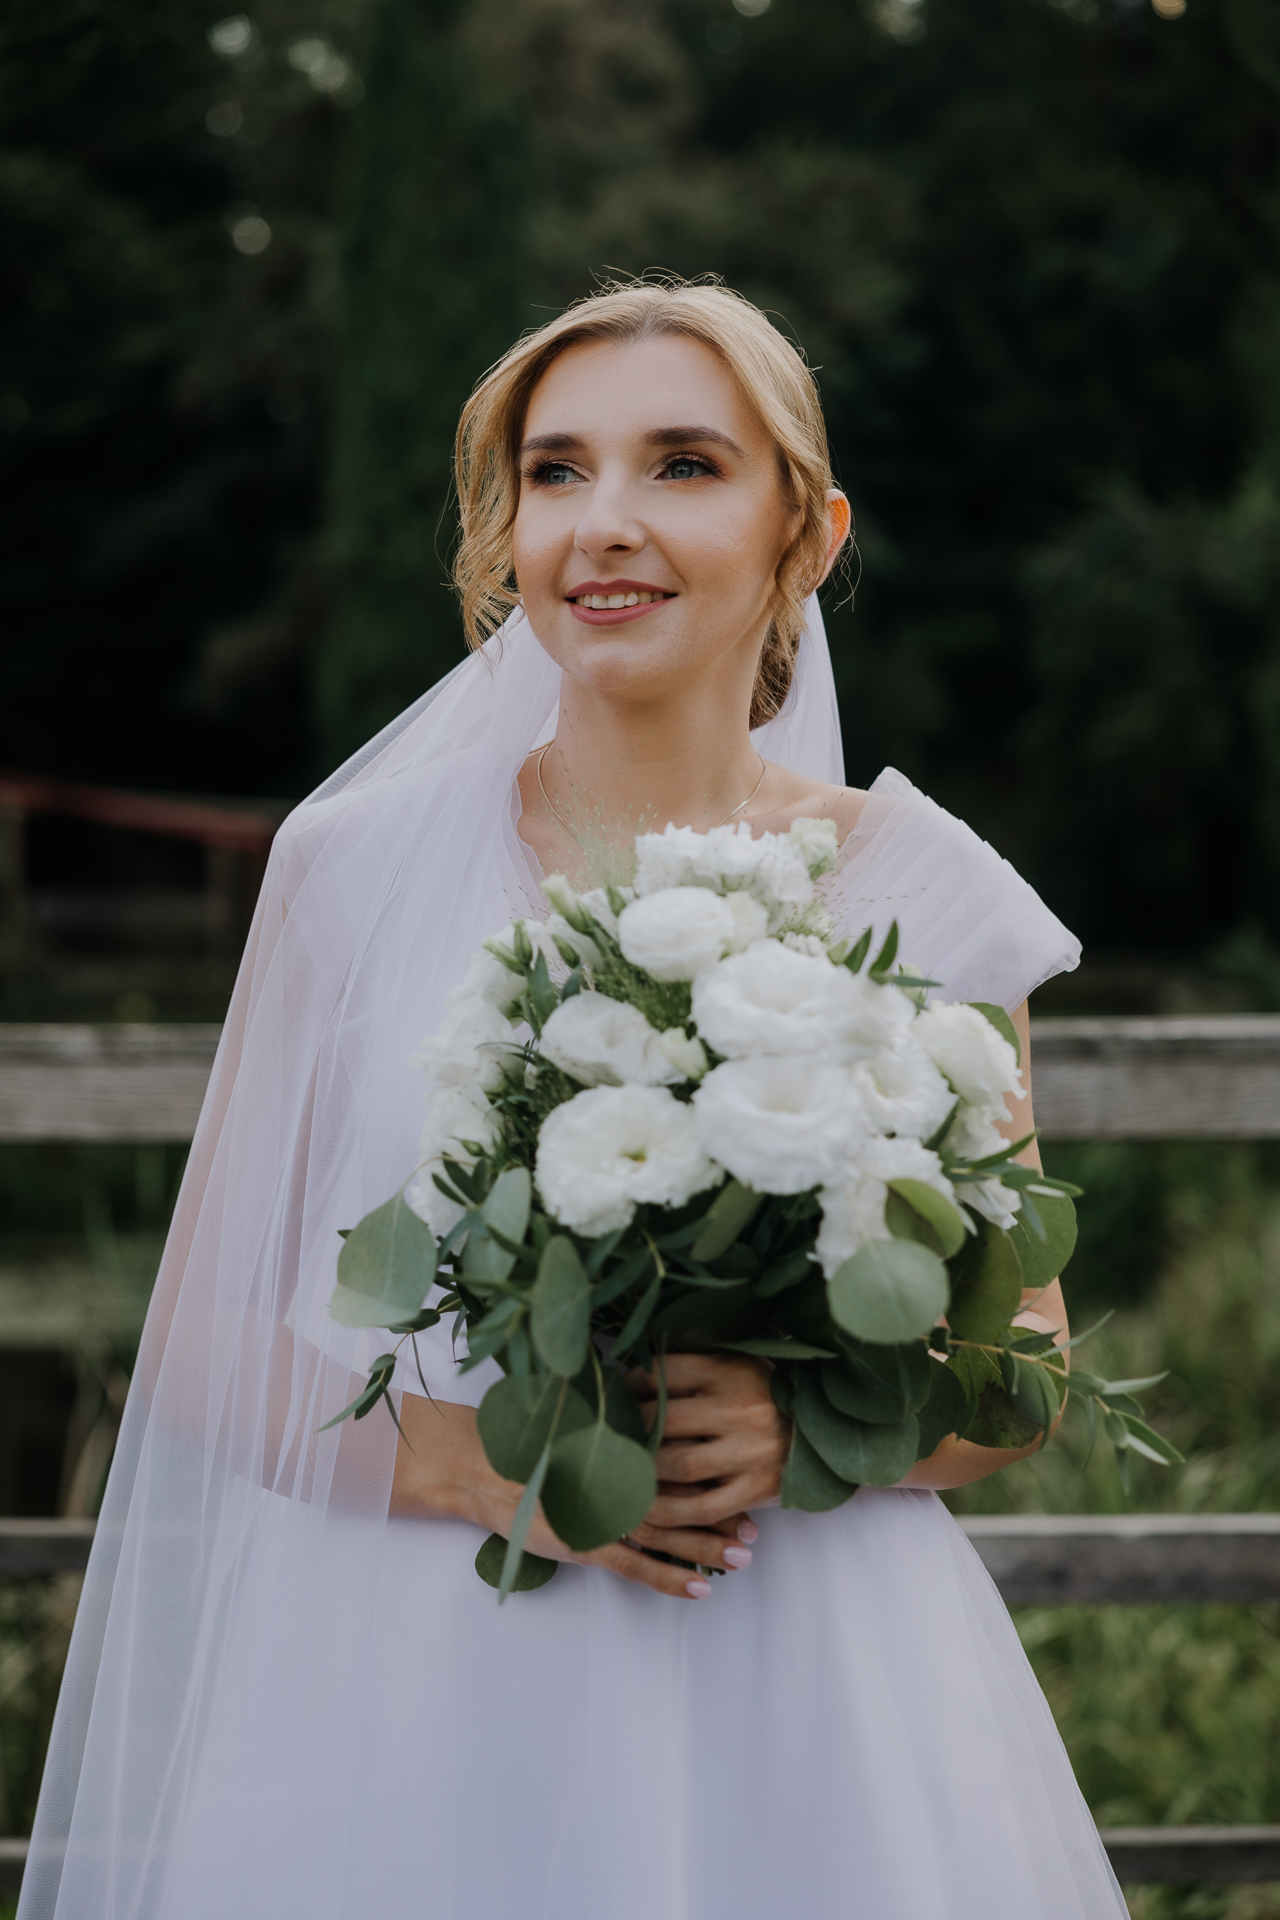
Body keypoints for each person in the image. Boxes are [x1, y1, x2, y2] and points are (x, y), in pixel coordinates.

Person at [20, 279, 1128, 1919]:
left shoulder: (924, 890)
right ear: (509, 532)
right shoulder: (351, 870)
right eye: (556, 473)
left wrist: (824, 1422)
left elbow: (1022, 1362)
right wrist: (481, 1467)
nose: (605, 523)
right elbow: (199, 1333)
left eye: (682, 464)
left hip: (799, 1673)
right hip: (416, 1664)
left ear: (807, 538)